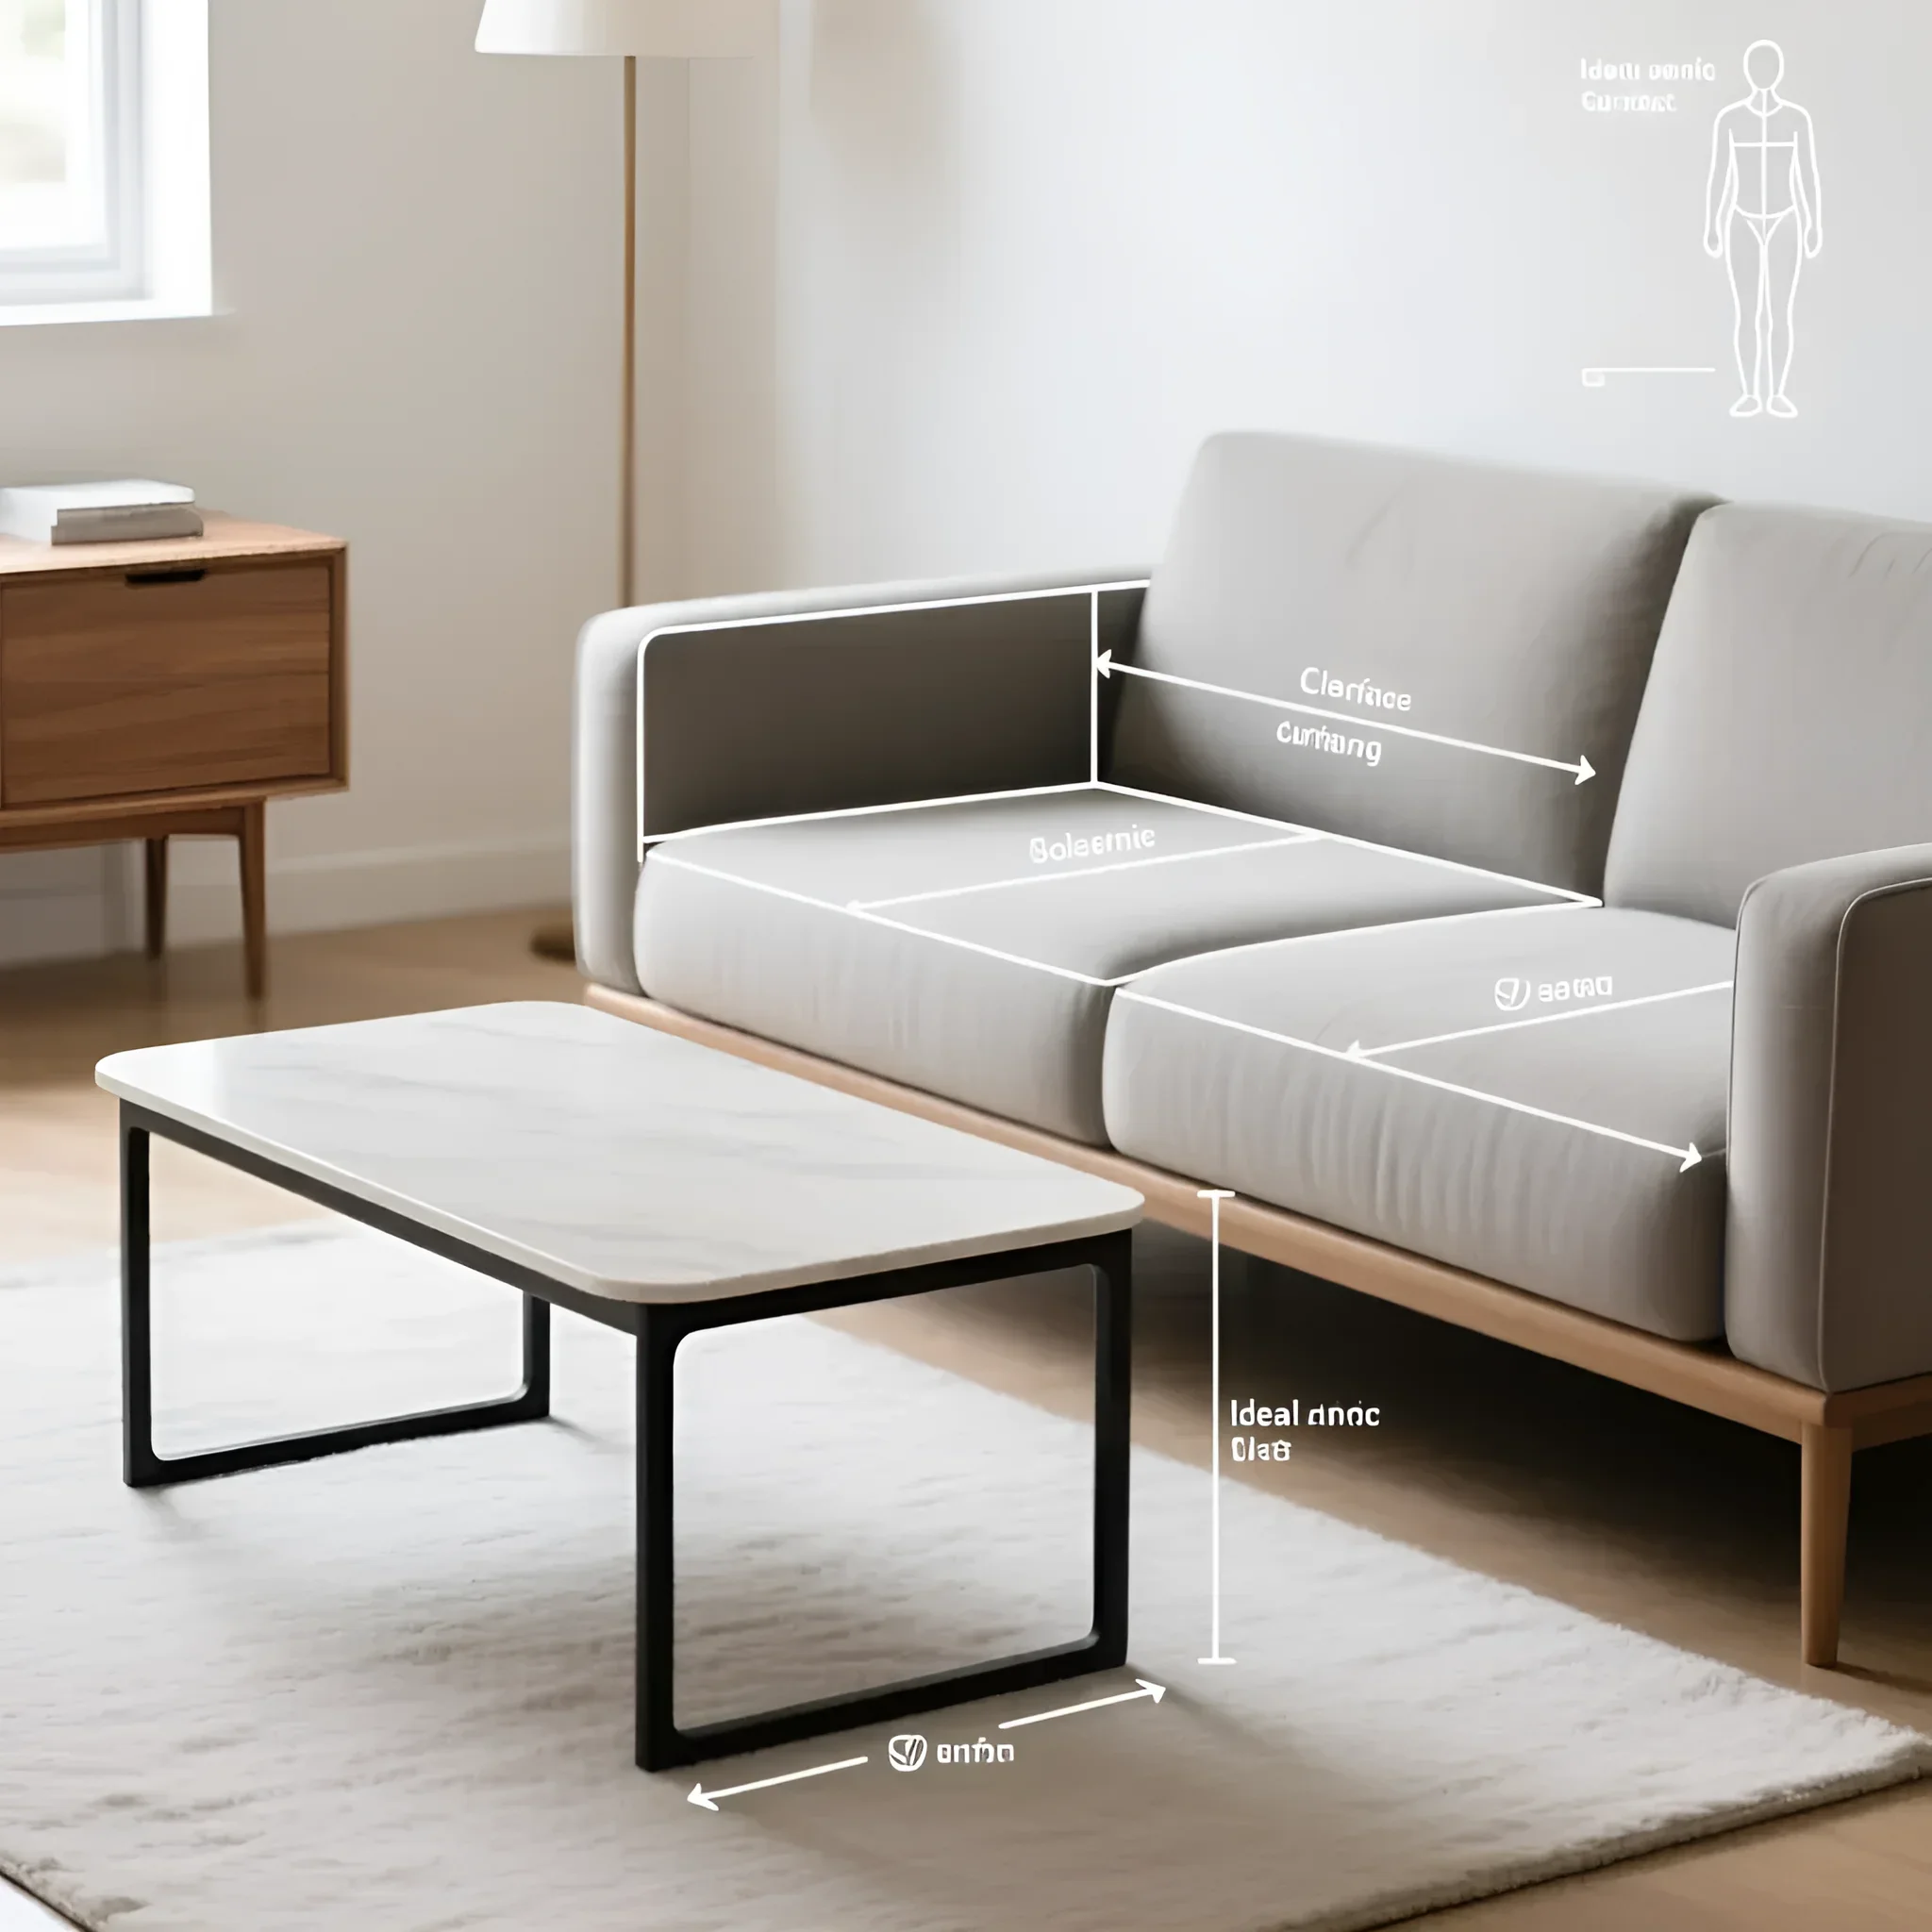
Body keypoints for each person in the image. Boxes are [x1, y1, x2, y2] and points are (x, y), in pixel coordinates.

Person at [1704, 41, 1823, 419]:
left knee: (1781, 314)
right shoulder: (1731, 119)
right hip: (1742, 219)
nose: (1764, 74)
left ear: (1778, 72)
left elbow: (1807, 174)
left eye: (1769, 66)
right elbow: (1720, 174)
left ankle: (1779, 393)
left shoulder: (1796, 119)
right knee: (1747, 312)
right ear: (1750, 72)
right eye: (1758, 66)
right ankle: (1751, 394)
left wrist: (1813, 221)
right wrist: (1712, 223)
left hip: (1785, 219)